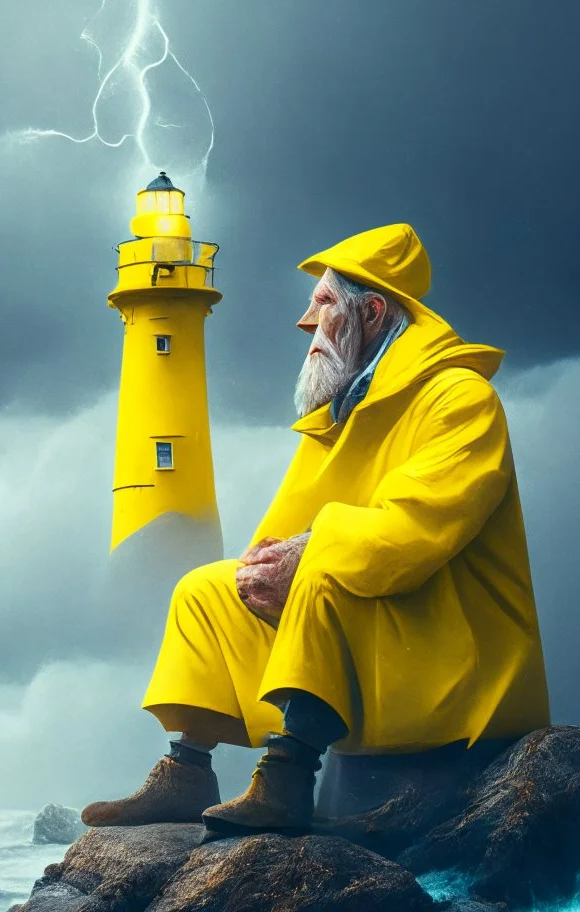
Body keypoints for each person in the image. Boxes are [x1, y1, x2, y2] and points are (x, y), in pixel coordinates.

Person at [82, 223, 550, 835]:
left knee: (320, 572)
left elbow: (416, 536)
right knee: (208, 589)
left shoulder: (459, 399)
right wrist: (261, 570)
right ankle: (187, 770)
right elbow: (282, 536)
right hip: (378, 627)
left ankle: (286, 776)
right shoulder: (340, 411)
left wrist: (308, 553)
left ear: (374, 312)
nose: (306, 321)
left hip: (457, 654)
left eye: (324, 302)